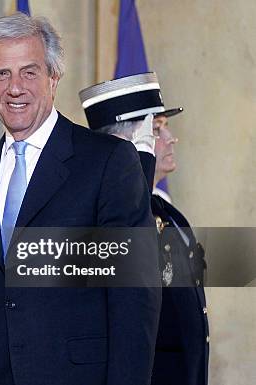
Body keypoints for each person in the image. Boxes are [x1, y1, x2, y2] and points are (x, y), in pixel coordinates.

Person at [0, 13, 161, 385]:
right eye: (2, 74)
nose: (16, 88)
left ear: (53, 77)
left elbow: (133, 296)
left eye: (29, 72)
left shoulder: (107, 161)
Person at [80, 72, 209, 385]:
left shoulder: (172, 216)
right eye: (156, 129)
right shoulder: (97, 218)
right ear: (125, 143)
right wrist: (133, 161)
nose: (169, 139)